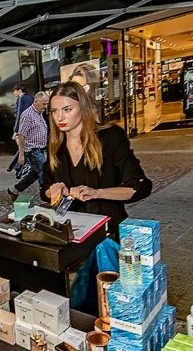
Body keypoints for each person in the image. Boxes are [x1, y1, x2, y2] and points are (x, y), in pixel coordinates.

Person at [41, 81, 152, 238]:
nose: (60, 117)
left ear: (83, 108)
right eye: (54, 111)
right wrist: (55, 191)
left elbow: (139, 186)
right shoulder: (55, 145)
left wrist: (97, 193)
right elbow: (45, 186)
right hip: (71, 232)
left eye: (67, 109)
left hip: (108, 232)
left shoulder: (110, 137)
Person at [7, 91, 50, 201]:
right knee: (44, 172)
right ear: (36, 101)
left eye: (47, 104)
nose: (46, 106)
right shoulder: (27, 115)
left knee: (34, 173)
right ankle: (47, 197)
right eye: (43, 104)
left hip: (40, 149)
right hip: (32, 150)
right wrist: (21, 154)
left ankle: (14, 189)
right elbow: (21, 135)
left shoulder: (39, 113)